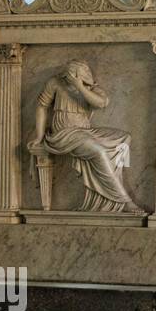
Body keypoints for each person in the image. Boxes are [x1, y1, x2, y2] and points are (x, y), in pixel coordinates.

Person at [29, 60, 139, 213]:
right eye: (72, 74)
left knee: (124, 138)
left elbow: (101, 103)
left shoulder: (91, 88)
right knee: (99, 152)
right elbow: (42, 107)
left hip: (84, 132)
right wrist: (39, 136)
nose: (73, 76)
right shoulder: (54, 83)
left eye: (80, 74)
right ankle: (124, 199)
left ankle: (114, 176)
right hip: (64, 134)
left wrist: (80, 86)